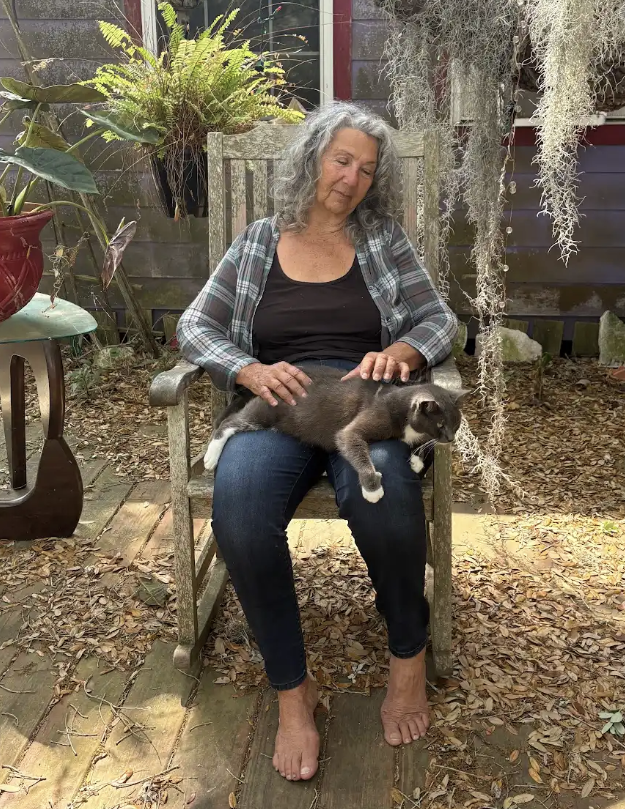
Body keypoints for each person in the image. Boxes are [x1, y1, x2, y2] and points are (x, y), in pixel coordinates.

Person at [176, 101, 458, 782]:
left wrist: (403, 351)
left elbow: (440, 320)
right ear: (313, 160)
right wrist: (246, 369)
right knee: (242, 507)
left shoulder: (383, 240)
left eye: (367, 169)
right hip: (283, 407)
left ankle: (408, 658)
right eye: (342, 160)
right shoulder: (257, 242)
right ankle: (292, 690)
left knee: (388, 500)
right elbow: (195, 326)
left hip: (366, 404)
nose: (352, 178)